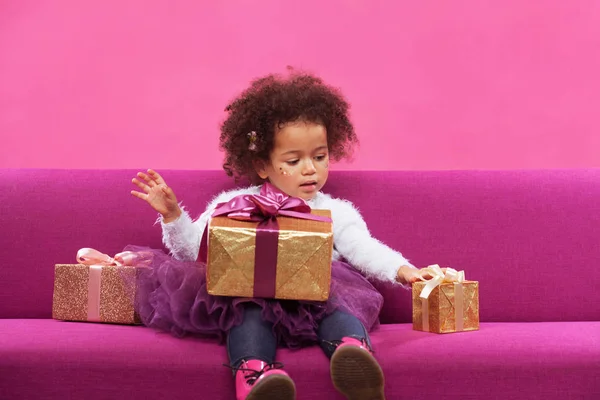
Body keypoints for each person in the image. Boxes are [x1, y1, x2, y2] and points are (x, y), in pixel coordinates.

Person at [129, 70, 433, 400]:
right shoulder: (235, 205)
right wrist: (173, 215)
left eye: (320, 156)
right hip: (252, 293)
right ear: (263, 165)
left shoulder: (335, 211)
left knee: (340, 307)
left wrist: (405, 271)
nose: (310, 169)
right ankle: (256, 376)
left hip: (319, 295)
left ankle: (354, 355)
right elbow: (195, 252)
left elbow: (364, 248)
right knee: (246, 314)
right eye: (294, 159)